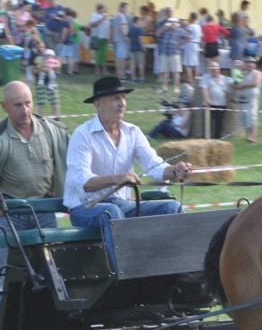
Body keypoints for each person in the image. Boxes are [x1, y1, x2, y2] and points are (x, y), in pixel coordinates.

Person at [0, 81, 69, 315]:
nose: (24, 110)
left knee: (57, 272)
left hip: (43, 211)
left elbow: (82, 157)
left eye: (28, 103)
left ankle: (62, 325)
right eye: (17, 105)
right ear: (4, 106)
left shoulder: (52, 131)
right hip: (8, 213)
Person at [64, 76, 193, 229]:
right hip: (84, 208)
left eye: (123, 98)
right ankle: (129, 254)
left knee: (173, 208)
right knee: (111, 211)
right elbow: (84, 183)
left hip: (121, 205)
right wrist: (117, 178)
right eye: (115, 99)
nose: (122, 104)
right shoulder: (82, 134)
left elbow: (154, 165)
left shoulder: (133, 132)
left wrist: (175, 170)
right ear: (98, 104)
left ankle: (179, 254)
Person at [233, 56, 262, 144]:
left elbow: (255, 83)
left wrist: (244, 84)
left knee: (251, 119)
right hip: (241, 100)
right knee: (244, 119)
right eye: (247, 63)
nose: (249, 64)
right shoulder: (242, 73)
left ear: (254, 65)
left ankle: (253, 139)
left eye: (251, 63)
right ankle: (248, 138)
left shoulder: (257, 73)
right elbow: (235, 85)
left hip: (251, 100)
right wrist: (237, 85)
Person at [198, 60, 229, 139]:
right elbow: (203, 89)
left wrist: (226, 102)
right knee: (207, 122)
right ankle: (206, 137)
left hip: (221, 104)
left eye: (216, 69)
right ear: (210, 70)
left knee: (219, 122)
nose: (215, 71)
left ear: (219, 70)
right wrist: (208, 100)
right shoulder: (205, 77)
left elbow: (228, 91)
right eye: (213, 69)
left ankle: (217, 138)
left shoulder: (224, 79)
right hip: (209, 104)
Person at [90, 3, 111, 75]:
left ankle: (104, 70)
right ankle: (97, 69)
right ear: (99, 9)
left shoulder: (106, 17)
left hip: (105, 37)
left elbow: (108, 27)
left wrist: (109, 37)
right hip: (98, 36)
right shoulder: (94, 15)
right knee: (98, 54)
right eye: (103, 9)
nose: (104, 10)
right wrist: (101, 19)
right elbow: (92, 24)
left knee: (103, 54)